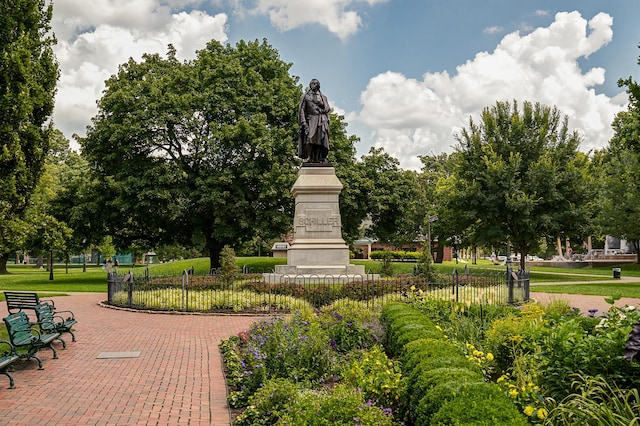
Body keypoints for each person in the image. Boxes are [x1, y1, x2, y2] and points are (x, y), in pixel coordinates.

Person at [298, 78, 331, 163]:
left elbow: (327, 109)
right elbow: (302, 110)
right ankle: (309, 157)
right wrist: (304, 123)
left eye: (315, 83)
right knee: (310, 138)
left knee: (321, 138)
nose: (313, 85)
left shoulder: (323, 97)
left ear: (318, 85)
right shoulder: (305, 96)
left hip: (321, 119)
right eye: (312, 83)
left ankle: (318, 158)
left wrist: (322, 104)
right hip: (311, 119)